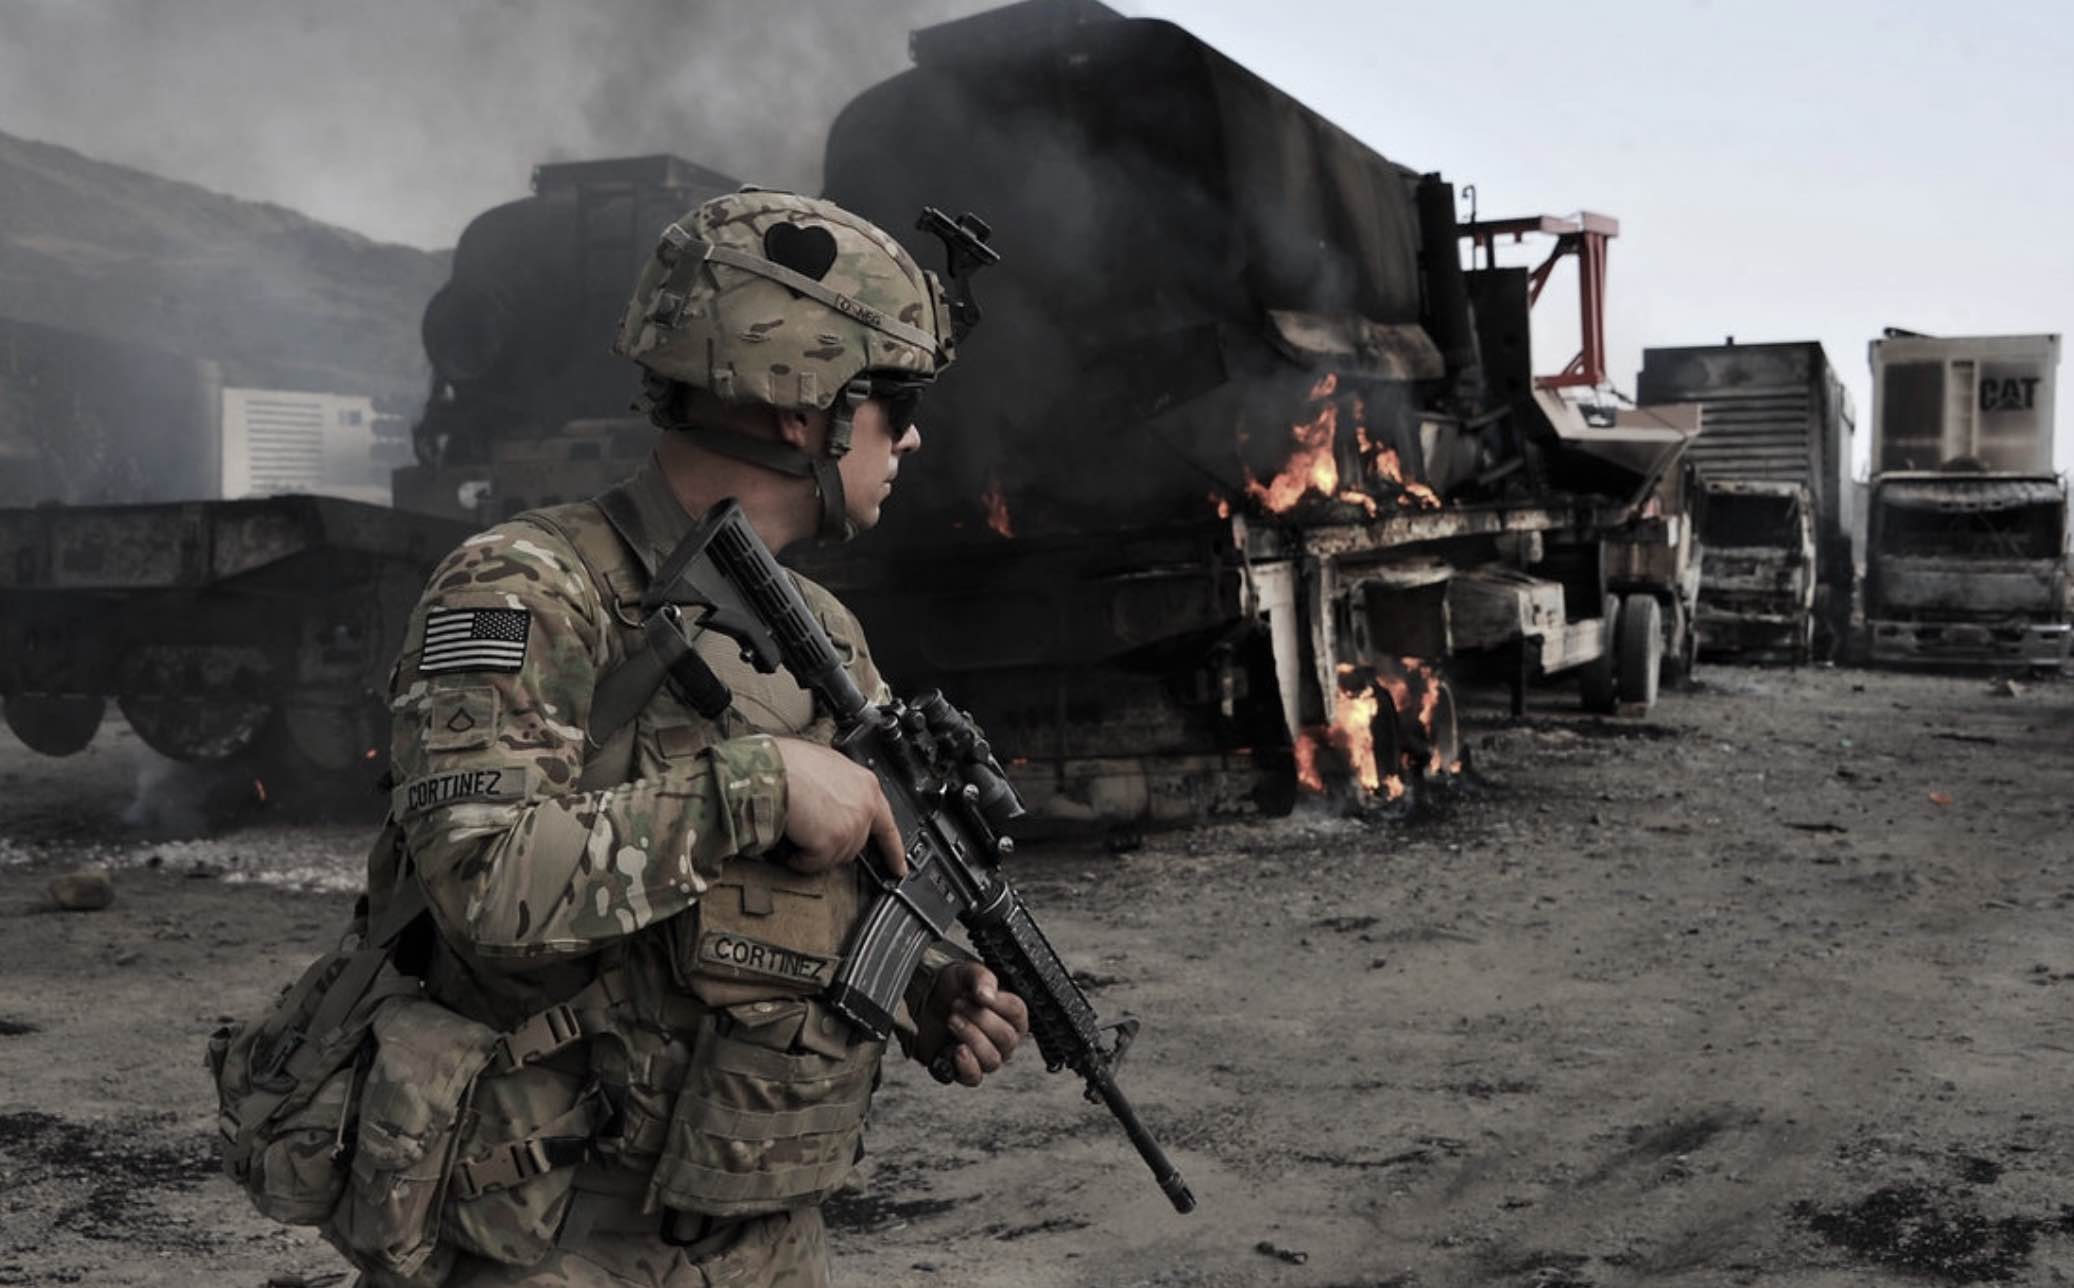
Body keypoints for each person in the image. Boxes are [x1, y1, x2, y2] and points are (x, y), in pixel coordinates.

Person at [364, 190, 1028, 1287]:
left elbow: (823, 894)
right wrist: (753, 784)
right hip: (546, 1242)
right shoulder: (530, 587)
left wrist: (926, 983)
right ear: (795, 406)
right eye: (892, 398)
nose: (910, 433)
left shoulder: (826, 633)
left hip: (761, 1238)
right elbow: (478, 880)